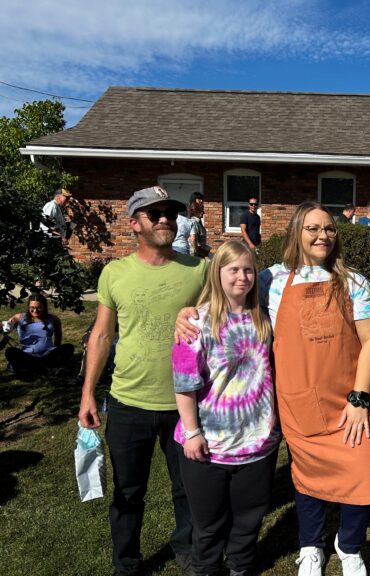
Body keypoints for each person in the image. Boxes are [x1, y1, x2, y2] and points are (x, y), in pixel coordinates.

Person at [177, 201, 370, 576]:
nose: (323, 235)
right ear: (296, 234)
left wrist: (360, 398)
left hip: (351, 398)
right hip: (298, 399)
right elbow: (227, 293)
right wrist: (188, 311)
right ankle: (311, 546)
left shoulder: (355, 282)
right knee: (307, 479)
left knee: (364, 472)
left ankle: (349, 545)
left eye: (329, 229)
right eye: (313, 229)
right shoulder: (271, 279)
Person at [78, 185, 206, 576]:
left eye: (171, 212)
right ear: (134, 223)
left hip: (184, 404)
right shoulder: (115, 273)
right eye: (155, 213)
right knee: (128, 491)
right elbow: (101, 335)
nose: (165, 218)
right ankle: (127, 562)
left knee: (186, 489)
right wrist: (87, 394)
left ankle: (186, 549)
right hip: (127, 402)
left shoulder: (198, 270)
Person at [172, 241, 280, 576]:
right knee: (208, 527)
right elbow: (183, 383)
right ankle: (205, 569)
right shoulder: (196, 323)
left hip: (258, 444)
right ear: (216, 273)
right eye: (233, 269)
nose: (242, 277)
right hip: (208, 446)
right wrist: (192, 433)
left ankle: (241, 569)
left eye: (248, 269)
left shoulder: (264, 318)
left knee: (248, 525)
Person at [2, 293, 74, 373]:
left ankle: (32, 367)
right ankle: (47, 367)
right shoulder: (19, 317)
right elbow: (6, 327)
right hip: (28, 355)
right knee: (10, 351)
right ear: (28, 307)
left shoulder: (53, 319)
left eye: (38, 308)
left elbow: (58, 337)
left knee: (68, 347)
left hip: (47, 354)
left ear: (44, 307)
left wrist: (56, 352)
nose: (35, 311)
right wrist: (3, 327)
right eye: (32, 307)